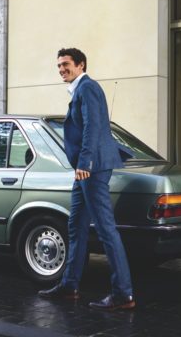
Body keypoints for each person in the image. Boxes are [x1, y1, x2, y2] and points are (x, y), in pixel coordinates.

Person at [38, 47, 135, 310]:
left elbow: (93, 127)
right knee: (76, 226)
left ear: (81, 65)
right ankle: (69, 285)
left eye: (66, 64)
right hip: (86, 170)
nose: (61, 69)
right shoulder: (80, 89)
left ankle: (123, 293)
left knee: (105, 229)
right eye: (59, 65)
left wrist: (85, 162)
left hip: (91, 168)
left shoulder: (88, 88)